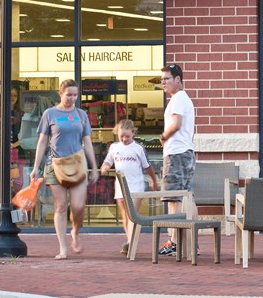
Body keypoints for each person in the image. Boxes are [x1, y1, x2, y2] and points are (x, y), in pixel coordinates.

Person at [31, 79, 99, 260]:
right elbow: (43, 141)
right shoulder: (50, 114)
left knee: (78, 206)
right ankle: (63, 248)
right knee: (60, 206)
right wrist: (36, 167)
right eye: (68, 94)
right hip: (55, 164)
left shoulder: (81, 114)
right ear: (60, 94)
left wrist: (94, 166)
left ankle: (75, 231)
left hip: (77, 163)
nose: (72, 98)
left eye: (75, 95)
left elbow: (87, 141)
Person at [99, 118, 158, 256]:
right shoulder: (114, 147)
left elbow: (147, 167)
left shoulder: (138, 148)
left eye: (127, 136)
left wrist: (153, 180)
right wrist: (105, 167)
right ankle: (130, 240)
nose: (124, 139)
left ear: (133, 133)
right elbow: (107, 161)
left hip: (136, 186)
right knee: (125, 216)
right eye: (121, 136)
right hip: (120, 186)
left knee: (133, 215)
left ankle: (132, 243)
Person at [157, 62, 197, 257]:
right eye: (162, 79)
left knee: (174, 199)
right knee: (187, 197)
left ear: (178, 80)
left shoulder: (179, 98)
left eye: (167, 79)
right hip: (185, 151)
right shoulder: (183, 99)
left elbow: (177, 124)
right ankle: (191, 241)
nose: (163, 83)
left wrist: (163, 137)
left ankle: (174, 241)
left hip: (176, 153)